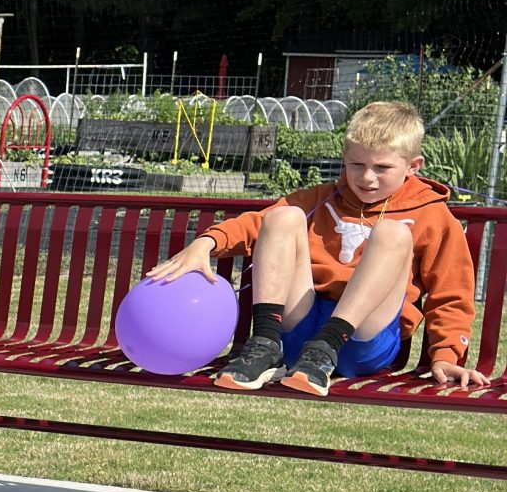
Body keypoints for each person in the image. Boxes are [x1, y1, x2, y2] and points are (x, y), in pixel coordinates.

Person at [156, 101, 485, 397]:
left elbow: (451, 293)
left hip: (362, 340)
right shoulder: (321, 199)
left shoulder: (432, 215)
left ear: (413, 166)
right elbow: (256, 224)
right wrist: (207, 242)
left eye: (382, 168)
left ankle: (327, 345)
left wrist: (446, 355)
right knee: (283, 217)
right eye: (356, 164)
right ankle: (266, 344)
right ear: (344, 157)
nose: (367, 178)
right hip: (300, 331)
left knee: (393, 233)